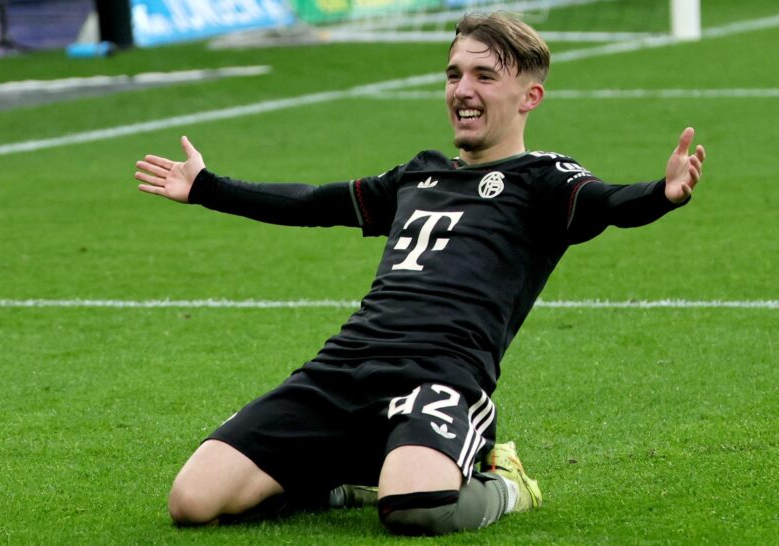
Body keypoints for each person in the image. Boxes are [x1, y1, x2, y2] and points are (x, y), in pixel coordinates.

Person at [134, 12, 705, 536]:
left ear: (530, 95)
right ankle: (349, 477)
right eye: (454, 74)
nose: (463, 90)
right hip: (344, 368)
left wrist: (662, 194)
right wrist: (207, 187)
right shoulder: (418, 174)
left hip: (441, 376)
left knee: (417, 507)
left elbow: (608, 203)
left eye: (484, 75)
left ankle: (505, 483)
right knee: (192, 502)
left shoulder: (545, 180)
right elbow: (314, 202)